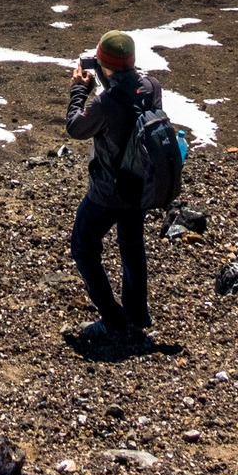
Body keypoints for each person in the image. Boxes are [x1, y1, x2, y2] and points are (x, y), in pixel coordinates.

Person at [65, 30, 167, 346]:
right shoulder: (152, 87)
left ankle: (113, 320)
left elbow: (76, 127)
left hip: (108, 192)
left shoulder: (104, 103)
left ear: (103, 65)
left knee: (83, 246)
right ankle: (137, 315)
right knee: (132, 245)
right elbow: (131, 106)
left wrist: (79, 92)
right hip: (140, 186)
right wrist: (109, 78)